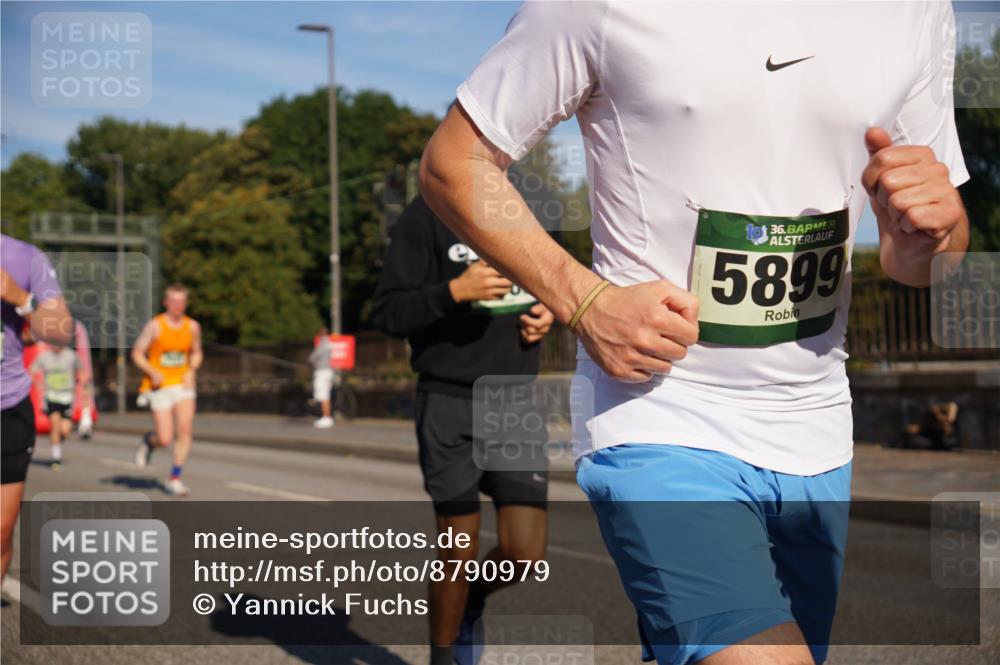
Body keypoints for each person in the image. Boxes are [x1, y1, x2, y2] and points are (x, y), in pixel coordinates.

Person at [420, 2, 969, 664]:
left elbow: (925, 258)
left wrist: (933, 235)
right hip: (659, 411)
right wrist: (586, 300)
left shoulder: (914, 10)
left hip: (816, 426)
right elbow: (456, 160)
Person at [373, 194, 555, 665]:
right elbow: (389, 313)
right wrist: (454, 292)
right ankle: (444, 656)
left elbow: (553, 283)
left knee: (525, 552)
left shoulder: (536, 208)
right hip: (448, 402)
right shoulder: (426, 214)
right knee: (457, 549)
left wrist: (548, 313)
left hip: (515, 402)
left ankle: (468, 599)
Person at [1, 234, 72, 582]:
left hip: (7, 404)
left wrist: (21, 298)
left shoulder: (24, 257)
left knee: (1, 530)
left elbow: (61, 332)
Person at [132, 284, 203, 497]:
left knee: (185, 429)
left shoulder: (192, 327)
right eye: (174, 301)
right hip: (160, 386)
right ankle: (149, 442)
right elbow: (137, 353)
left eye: (181, 302)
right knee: (165, 438)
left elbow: (197, 353)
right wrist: (151, 371)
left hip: (183, 384)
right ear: (166, 303)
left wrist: (192, 369)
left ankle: (175, 478)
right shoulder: (155, 326)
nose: (178, 306)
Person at [30, 344, 86, 467]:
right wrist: (37, 383)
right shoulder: (44, 356)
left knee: (65, 430)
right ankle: (56, 457)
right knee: (55, 425)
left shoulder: (71, 355)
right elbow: (31, 370)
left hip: (67, 397)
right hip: (51, 396)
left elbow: (82, 371)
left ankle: (56, 442)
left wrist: (82, 382)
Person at [310, 327, 335, 428]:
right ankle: (326, 417)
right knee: (325, 395)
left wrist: (311, 360)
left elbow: (313, 357)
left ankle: (326, 418)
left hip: (322, 371)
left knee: (323, 395)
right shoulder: (329, 343)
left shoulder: (323, 344)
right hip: (328, 371)